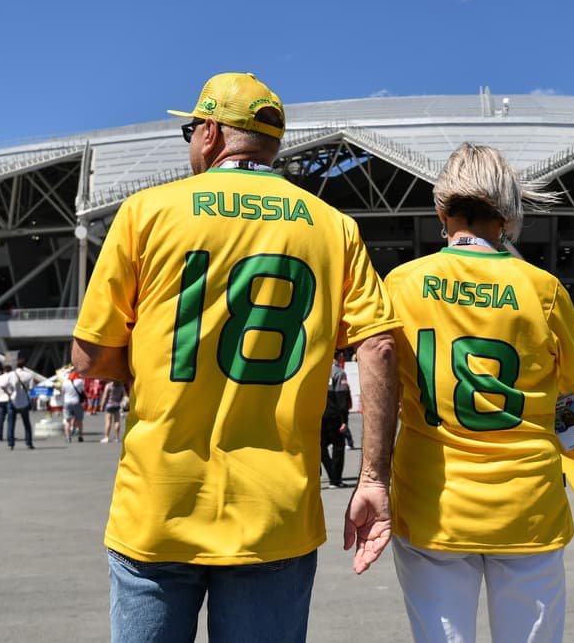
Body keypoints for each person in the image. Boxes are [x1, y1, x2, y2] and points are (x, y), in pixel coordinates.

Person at [70, 72, 401, 643]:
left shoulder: (146, 212)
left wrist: (155, 359)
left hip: (158, 506)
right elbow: (381, 344)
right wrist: (373, 476)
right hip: (273, 516)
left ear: (212, 133)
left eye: (191, 130)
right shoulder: (333, 227)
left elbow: (90, 356)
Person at [383, 142, 574, 643]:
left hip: (432, 503)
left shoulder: (401, 283)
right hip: (526, 504)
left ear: (441, 212)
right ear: (506, 217)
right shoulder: (542, 288)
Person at [321, 351, 353, 488]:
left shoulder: (320, 371)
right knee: (338, 447)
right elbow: (342, 397)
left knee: (321, 447)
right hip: (334, 416)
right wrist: (344, 420)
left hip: (321, 415)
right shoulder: (339, 373)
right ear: (339, 356)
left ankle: (329, 473)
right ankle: (335, 478)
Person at [0, 357, 37, 450]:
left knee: (10, 423)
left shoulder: (10, 374)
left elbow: (2, 386)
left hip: (12, 400)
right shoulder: (29, 375)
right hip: (24, 401)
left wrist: (9, 394)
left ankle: (11, 444)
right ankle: (29, 443)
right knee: (26, 423)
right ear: (24, 365)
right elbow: (31, 388)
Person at [61, 369, 86, 443]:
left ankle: (68, 438)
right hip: (77, 402)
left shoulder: (65, 382)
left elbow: (62, 391)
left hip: (67, 402)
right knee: (79, 420)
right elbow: (82, 391)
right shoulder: (80, 382)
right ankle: (80, 436)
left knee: (67, 421)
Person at [0, 362, 12, 442]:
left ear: (4, 370)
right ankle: (9, 436)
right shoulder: (11, 377)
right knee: (10, 419)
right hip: (9, 399)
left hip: (1, 400)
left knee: (1, 419)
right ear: (10, 370)